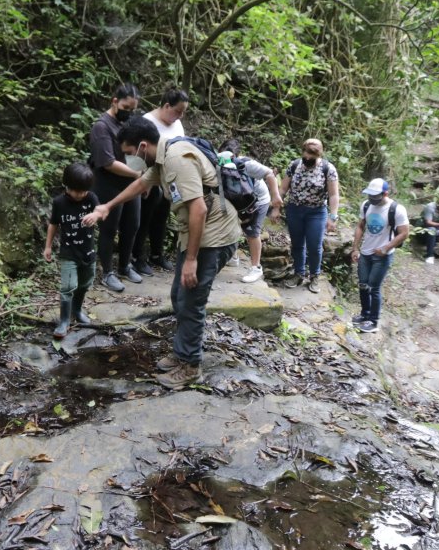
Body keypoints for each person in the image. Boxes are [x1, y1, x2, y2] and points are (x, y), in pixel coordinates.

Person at [83, 116, 241, 389]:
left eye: (131, 152)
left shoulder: (177, 159)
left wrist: (191, 260)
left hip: (213, 236)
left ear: (143, 146)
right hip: (195, 234)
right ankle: (182, 353)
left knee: (191, 301)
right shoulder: (163, 156)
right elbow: (141, 184)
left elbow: (199, 210)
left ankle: (191, 366)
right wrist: (107, 206)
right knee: (179, 295)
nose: (132, 158)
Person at [88, 84, 143, 292]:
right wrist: (137, 175)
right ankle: (107, 272)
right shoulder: (101, 127)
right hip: (108, 183)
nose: (129, 112)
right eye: (126, 108)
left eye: (133, 109)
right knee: (109, 229)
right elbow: (108, 162)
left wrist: (140, 177)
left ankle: (124, 266)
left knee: (132, 225)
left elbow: (135, 151)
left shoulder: (127, 123)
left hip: (130, 182)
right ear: (114, 102)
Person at [132, 88, 189, 275]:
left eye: (183, 112)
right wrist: (142, 178)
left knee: (161, 218)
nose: (180, 116)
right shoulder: (147, 121)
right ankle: (137, 256)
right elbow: (138, 152)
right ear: (166, 106)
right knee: (144, 219)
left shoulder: (177, 124)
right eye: (178, 111)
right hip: (149, 177)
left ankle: (157, 254)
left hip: (168, 179)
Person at [44, 163, 100, 339]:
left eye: (84, 191)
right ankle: (64, 320)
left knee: (85, 283)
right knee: (68, 287)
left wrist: (95, 215)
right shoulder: (59, 203)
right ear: (67, 186)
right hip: (69, 252)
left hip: (88, 251)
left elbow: (100, 212)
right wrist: (48, 246)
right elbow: (53, 224)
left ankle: (77, 310)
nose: (80, 195)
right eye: (77, 191)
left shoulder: (91, 198)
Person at [278, 139, 340, 292]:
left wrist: (332, 216)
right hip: (294, 210)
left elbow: (333, 195)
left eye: (312, 155)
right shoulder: (294, 165)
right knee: (297, 244)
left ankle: (314, 276)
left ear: (319, 154)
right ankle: (299, 273)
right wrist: (276, 208)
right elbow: (283, 189)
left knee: (314, 245)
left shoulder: (328, 169)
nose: (307, 157)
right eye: (306, 153)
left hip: (316, 212)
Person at [217, 140, 282, 283]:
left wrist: (276, 196)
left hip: (258, 200)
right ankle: (233, 258)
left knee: (252, 232)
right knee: (231, 226)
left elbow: (270, 174)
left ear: (236, 155)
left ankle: (256, 268)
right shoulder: (218, 162)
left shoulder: (246, 164)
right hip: (237, 199)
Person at [350, 179, 409, 333]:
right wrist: (355, 248)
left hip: (382, 255)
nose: (372, 199)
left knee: (373, 287)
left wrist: (386, 248)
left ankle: (373, 321)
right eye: (370, 195)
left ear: (385, 194)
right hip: (365, 252)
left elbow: (404, 233)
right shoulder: (366, 205)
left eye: (375, 196)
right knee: (363, 285)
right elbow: (361, 226)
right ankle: (364, 314)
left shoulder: (396, 209)